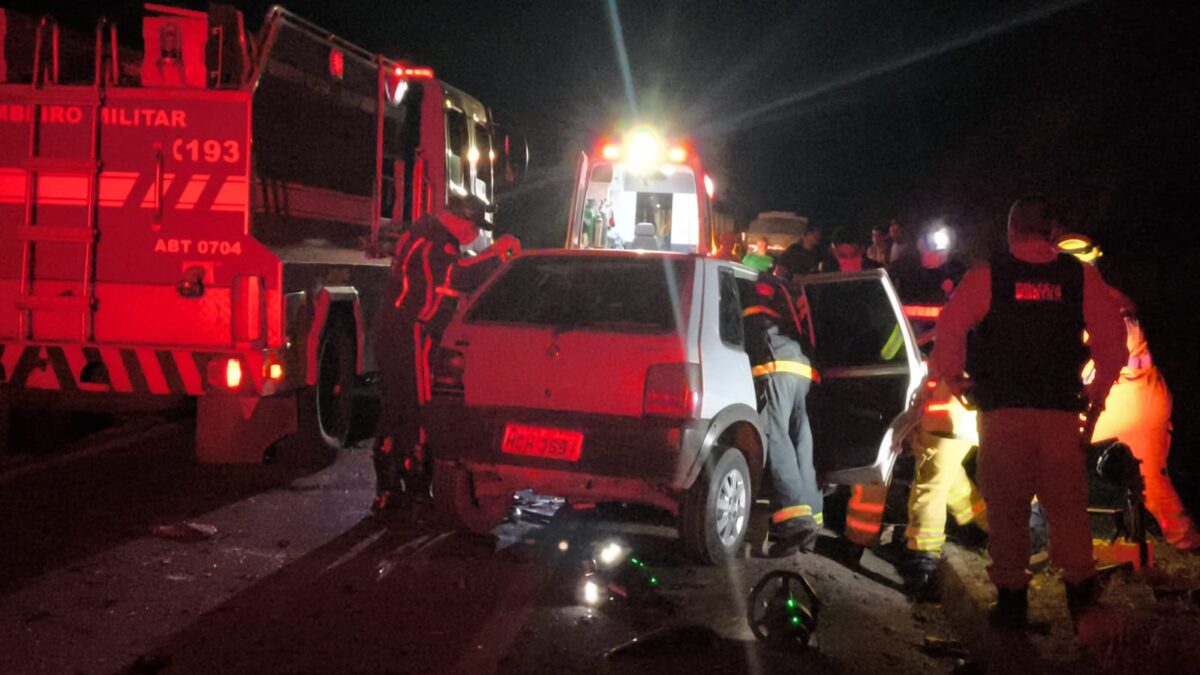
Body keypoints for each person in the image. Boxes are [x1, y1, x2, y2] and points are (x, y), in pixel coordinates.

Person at [933, 195, 1127, 629]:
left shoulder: (987, 275)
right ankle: (1081, 603)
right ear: (1053, 232)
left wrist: (954, 377)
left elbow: (951, 325)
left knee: (1006, 508)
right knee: (1068, 508)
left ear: (1011, 230)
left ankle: (1011, 605)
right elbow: (1113, 339)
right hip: (1059, 414)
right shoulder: (1080, 277)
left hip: (1003, 414)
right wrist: (1099, 391)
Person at [370, 195, 519, 513]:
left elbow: (448, 284)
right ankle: (417, 489)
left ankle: (390, 488)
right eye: (476, 227)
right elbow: (457, 276)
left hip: (400, 333)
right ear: (464, 220)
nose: (475, 235)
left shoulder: (424, 234)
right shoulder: (434, 242)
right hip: (412, 335)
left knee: (396, 408)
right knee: (421, 408)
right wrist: (496, 253)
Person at [1056, 235, 1200, 550]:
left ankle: (1046, 537)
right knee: (1152, 479)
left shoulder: (1081, 302)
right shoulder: (1116, 297)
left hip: (1115, 396)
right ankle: (1186, 542)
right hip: (1149, 394)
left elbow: (1090, 357)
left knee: (1049, 447)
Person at [743, 274, 822, 555]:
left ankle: (795, 520)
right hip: (802, 367)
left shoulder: (743, 297)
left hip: (774, 367)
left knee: (776, 437)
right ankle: (812, 523)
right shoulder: (781, 298)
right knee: (802, 442)